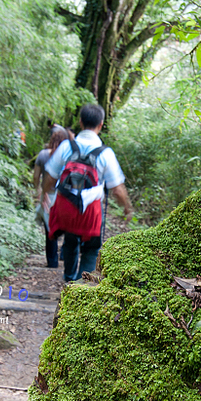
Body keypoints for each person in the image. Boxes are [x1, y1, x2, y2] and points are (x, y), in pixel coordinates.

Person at [42, 104, 134, 282]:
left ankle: (69, 278)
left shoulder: (66, 147)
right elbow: (117, 188)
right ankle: (83, 284)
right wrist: (127, 208)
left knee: (70, 240)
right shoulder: (105, 153)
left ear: (80, 121)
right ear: (101, 124)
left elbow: (50, 176)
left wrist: (44, 194)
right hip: (90, 210)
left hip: (66, 206)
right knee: (91, 248)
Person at [33, 125, 73, 268]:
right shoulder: (70, 157)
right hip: (65, 196)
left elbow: (36, 177)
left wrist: (38, 191)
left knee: (50, 230)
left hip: (47, 196)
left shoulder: (43, 155)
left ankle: (52, 261)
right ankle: (65, 255)